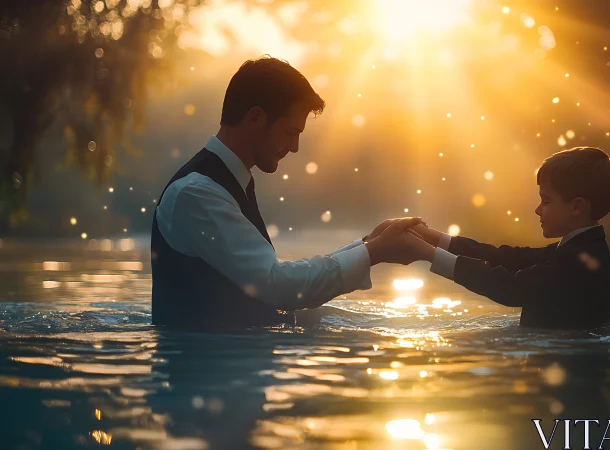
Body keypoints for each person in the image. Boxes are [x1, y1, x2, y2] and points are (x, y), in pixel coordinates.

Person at [150, 56, 428, 331]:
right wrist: (375, 252)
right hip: (207, 369)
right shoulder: (197, 194)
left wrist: (369, 243)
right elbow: (279, 285)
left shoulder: (226, 184)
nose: (294, 147)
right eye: (289, 132)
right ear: (255, 116)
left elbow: (274, 280)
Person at [412, 147, 610, 329]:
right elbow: (507, 258)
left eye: (546, 201)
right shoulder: (579, 250)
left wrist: (428, 254)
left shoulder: (577, 262)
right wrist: (436, 239)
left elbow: (510, 287)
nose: (538, 210)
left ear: (576, 207)